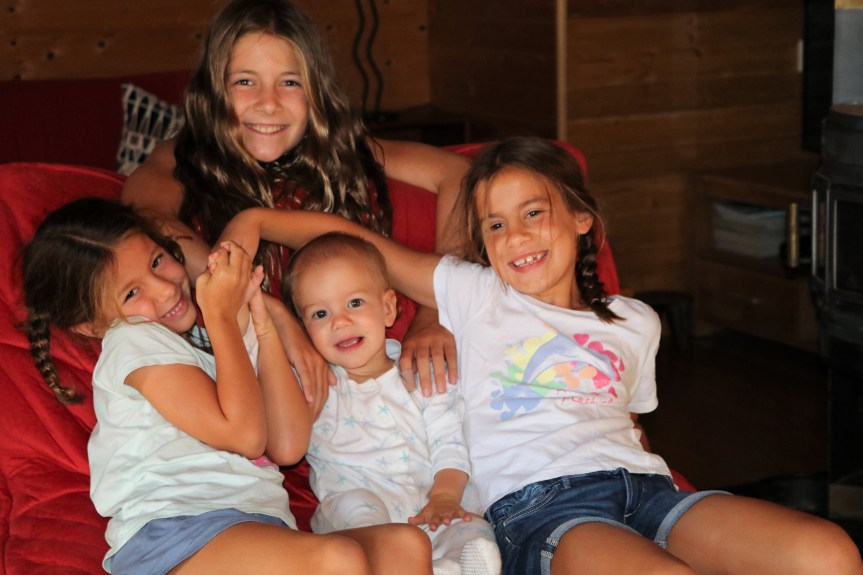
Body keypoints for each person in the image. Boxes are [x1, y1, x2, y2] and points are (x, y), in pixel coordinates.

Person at [218, 136, 863, 575]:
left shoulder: (637, 321)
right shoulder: (475, 293)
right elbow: (352, 242)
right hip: (543, 509)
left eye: (533, 213)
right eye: (496, 225)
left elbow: (630, 423)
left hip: (647, 490)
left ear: (582, 218)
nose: (517, 236)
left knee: (829, 553)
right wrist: (254, 222)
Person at [20, 197, 435, 575]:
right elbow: (245, 436)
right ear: (92, 325)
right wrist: (219, 316)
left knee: (405, 546)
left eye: (157, 261)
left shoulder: (218, 342)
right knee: (337, 560)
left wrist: (261, 325)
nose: (164, 289)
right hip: (177, 537)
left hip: (259, 527)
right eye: (132, 293)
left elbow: (288, 445)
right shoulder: (131, 341)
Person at [121, 0, 466, 406]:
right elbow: (143, 217)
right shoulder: (185, 157)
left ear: (315, 91)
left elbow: (458, 173)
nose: (268, 103)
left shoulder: (344, 152)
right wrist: (268, 310)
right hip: (259, 393)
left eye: (289, 82)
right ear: (214, 91)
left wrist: (436, 313)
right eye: (245, 81)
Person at [284, 232, 501, 575]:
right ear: (304, 329)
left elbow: (450, 442)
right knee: (356, 508)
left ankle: (450, 566)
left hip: (433, 505)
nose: (340, 322)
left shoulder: (422, 368)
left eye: (355, 303)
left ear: (388, 308)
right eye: (320, 313)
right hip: (359, 518)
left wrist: (445, 497)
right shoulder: (312, 384)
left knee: (475, 529)